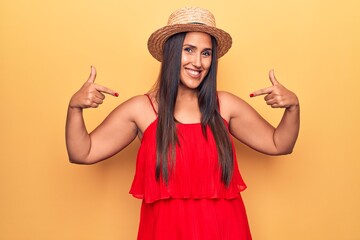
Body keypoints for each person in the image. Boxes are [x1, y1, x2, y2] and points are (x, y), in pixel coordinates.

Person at [65, 6, 299, 240]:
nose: (198, 62)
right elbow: (82, 153)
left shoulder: (225, 106)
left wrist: (292, 107)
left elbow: (279, 144)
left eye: (206, 53)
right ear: (171, 53)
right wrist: (75, 108)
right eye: (189, 50)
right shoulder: (142, 109)